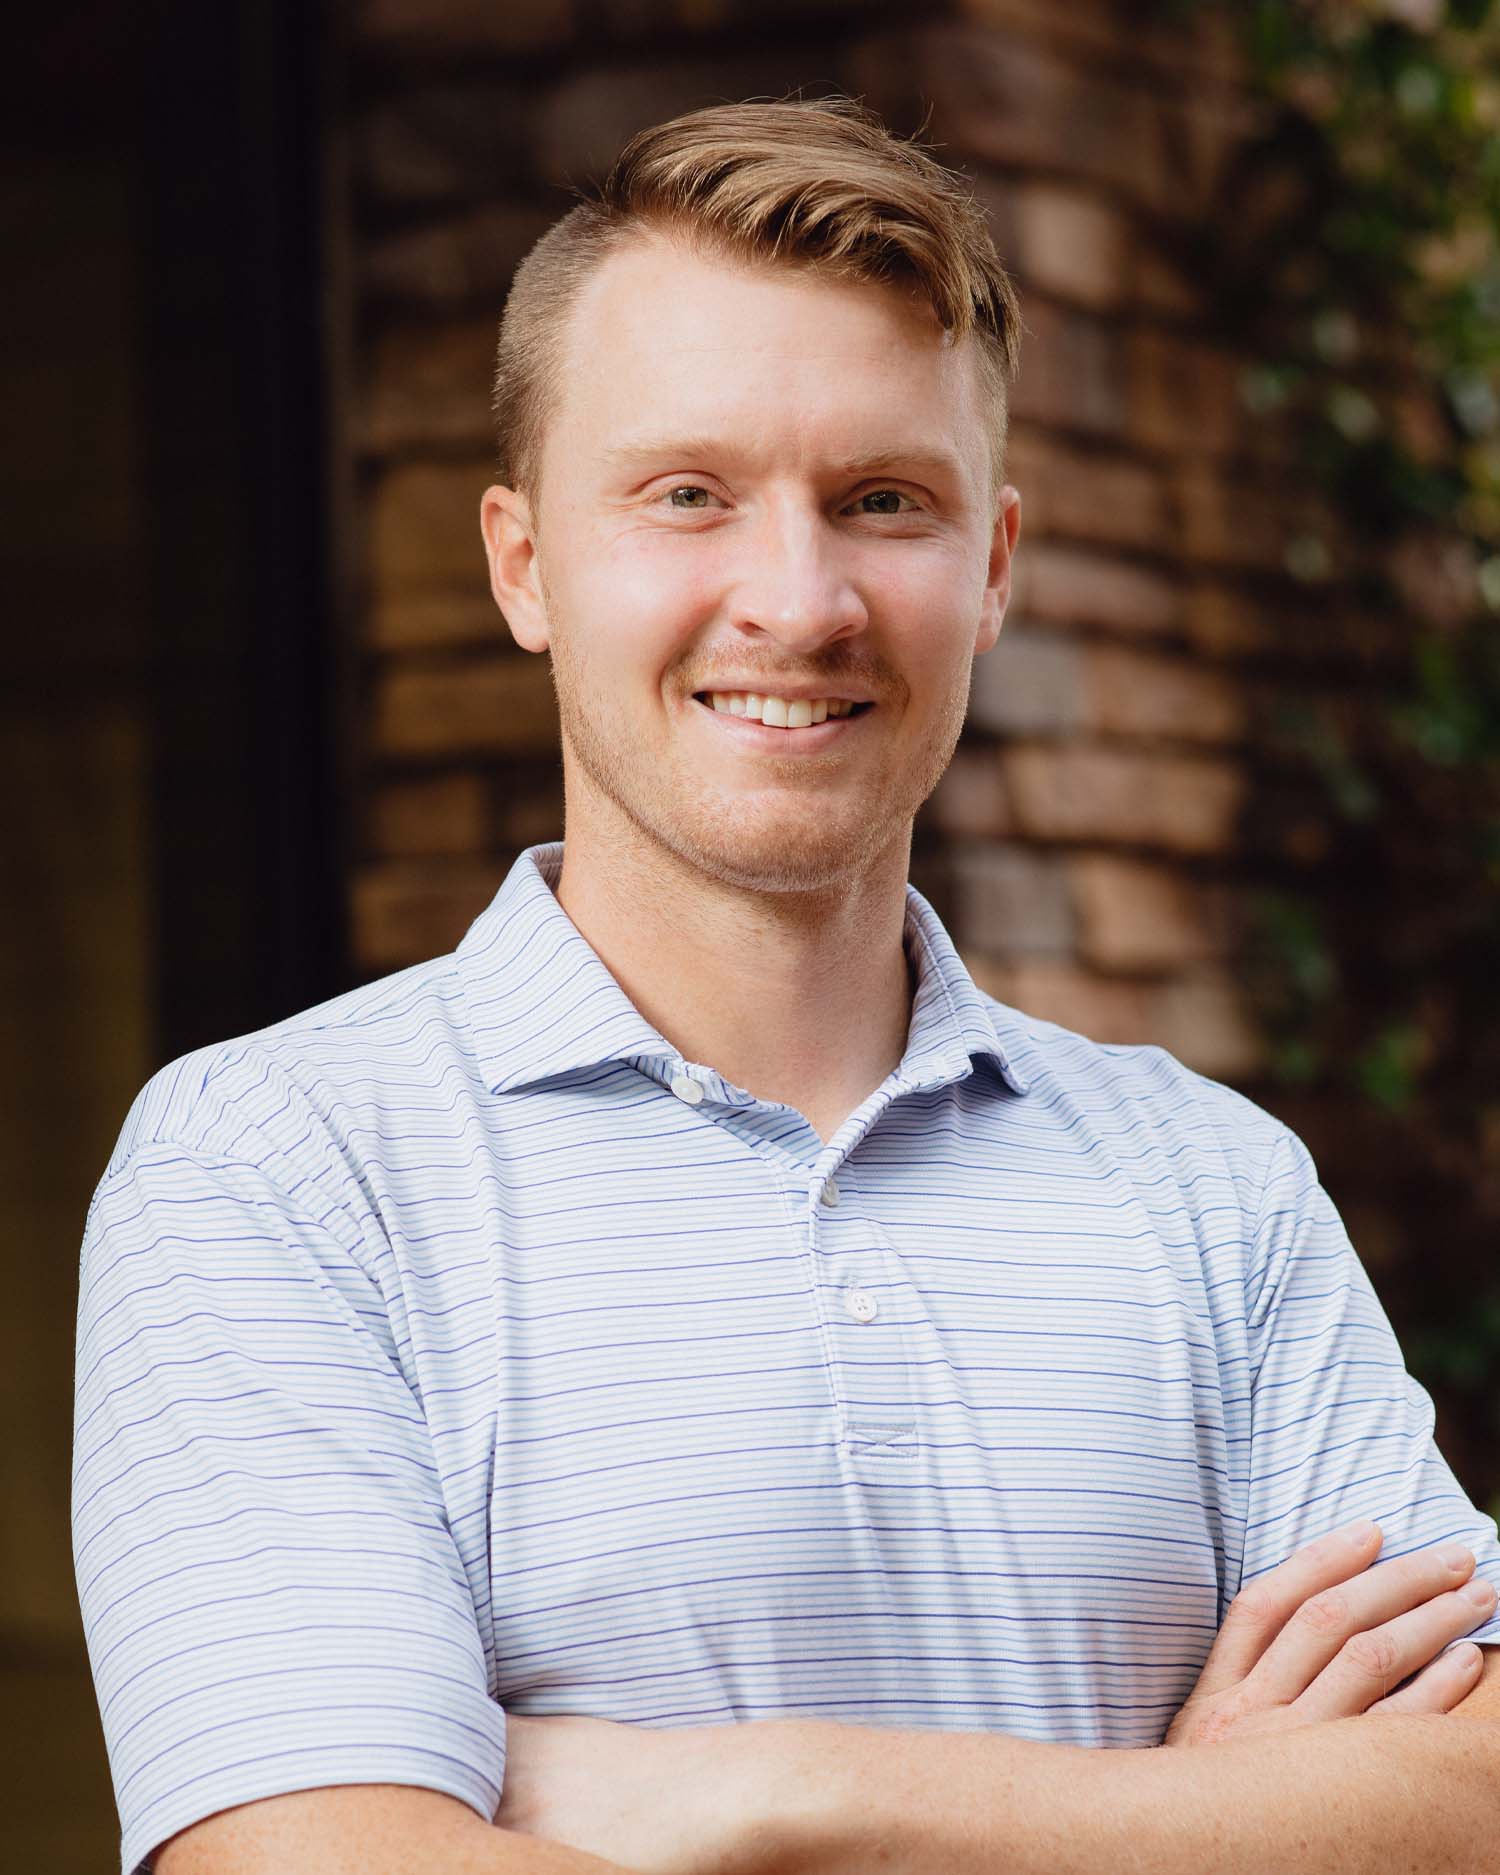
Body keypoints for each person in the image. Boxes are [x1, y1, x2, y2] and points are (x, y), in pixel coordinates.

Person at [73, 96, 1500, 1875]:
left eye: (882, 501)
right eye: (688, 496)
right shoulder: (277, 1169)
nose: (796, 597)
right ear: (524, 564)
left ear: (990, 568)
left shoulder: (1207, 1184)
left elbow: (1477, 1798)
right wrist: (1207, 1825)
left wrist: (771, 1798)